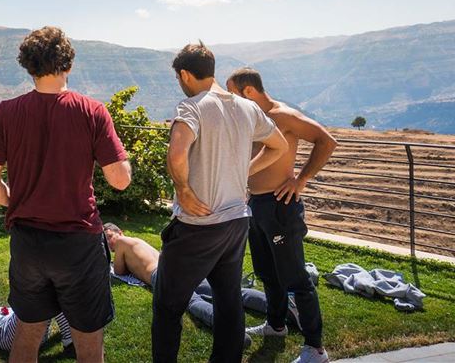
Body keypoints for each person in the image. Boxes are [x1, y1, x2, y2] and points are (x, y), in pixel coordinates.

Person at [0, 26, 132, 363]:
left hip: (27, 244)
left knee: (28, 333)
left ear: (29, 67)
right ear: (69, 65)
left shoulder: (5, 112)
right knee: (88, 344)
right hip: (78, 243)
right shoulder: (91, 111)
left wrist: (17, 201)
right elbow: (119, 180)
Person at [152, 42, 288, 363]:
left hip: (197, 227)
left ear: (185, 74)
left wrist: (183, 190)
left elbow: (176, 152)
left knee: (168, 307)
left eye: (178, 78)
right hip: (236, 224)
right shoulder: (247, 107)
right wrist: (244, 173)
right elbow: (278, 145)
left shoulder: (192, 107)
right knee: (229, 302)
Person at [227, 67, 337, 363]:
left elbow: (326, 141)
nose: (230, 100)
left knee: (296, 278)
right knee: (267, 273)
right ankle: (276, 326)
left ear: (248, 91)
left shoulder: (283, 116)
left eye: (233, 93)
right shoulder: (252, 118)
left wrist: (300, 180)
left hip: (280, 205)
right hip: (256, 205)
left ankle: (315, 348)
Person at [104, 222, 295, 349]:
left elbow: (119, 271)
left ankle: (232, 334)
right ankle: (284, 308)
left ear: (119, 231)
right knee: (224, 291)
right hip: (177, 266)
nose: (109, 243)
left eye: (109, 236)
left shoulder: (121, 242)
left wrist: (114, 257)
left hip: (160, 275)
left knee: (193, 302)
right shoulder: (139, 242)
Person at [0, 304, 73, 353]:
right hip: (3, 334)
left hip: (14, 323)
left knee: (51, 283)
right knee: (45, 289)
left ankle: (71, 334)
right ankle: (70, 339)